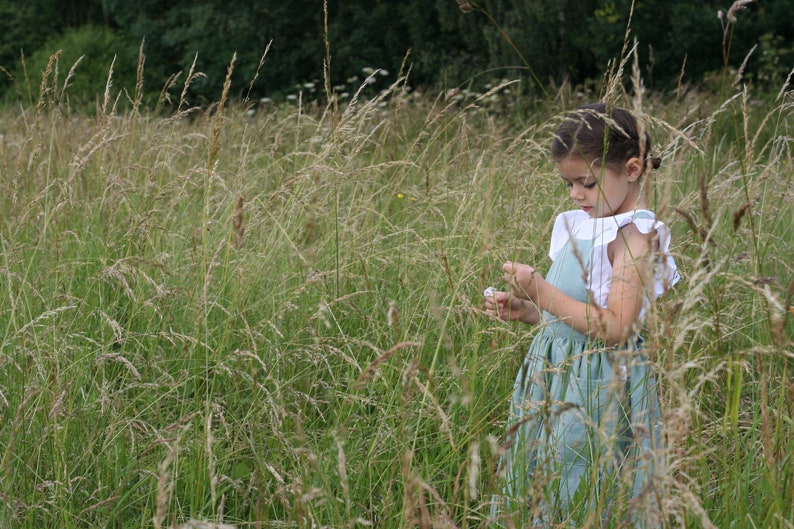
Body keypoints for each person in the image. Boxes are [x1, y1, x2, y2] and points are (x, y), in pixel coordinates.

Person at [485, 103, 680, 527]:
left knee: (582, 478)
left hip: (598, 387)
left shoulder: (636, 238)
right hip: (555, 372)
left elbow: (615, 327)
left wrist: (542, 289)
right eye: (568, 183)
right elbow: (574, 313)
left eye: (586, 183)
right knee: (542, 472)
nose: (575, 194)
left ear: (631, 169)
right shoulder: (579, 223)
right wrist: (530, 310)